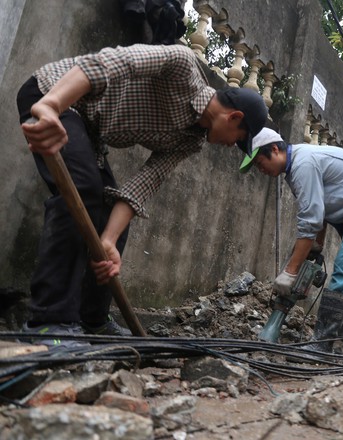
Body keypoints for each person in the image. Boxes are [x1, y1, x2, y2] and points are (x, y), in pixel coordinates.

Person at [16, 44, 268, 347]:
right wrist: (50, 105)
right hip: (54, 94)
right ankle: (48, 322)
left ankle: (92, 320)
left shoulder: (191, 141)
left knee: (111, 212)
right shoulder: (181, 65)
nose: (231, 147)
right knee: (82, 190)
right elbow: (107, 63)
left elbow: (141, 185)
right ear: (234, 117)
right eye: (239, 140)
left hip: (88, 128)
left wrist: (107, 241)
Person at [240, 127, 343, 353]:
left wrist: (290, 272)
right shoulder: (296, 167)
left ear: (275, 149)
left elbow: (310, 222)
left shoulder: (303, 165)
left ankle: (321, 346)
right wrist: (316, 245)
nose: (260, 169)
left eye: (260, 162)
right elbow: (319, 210)